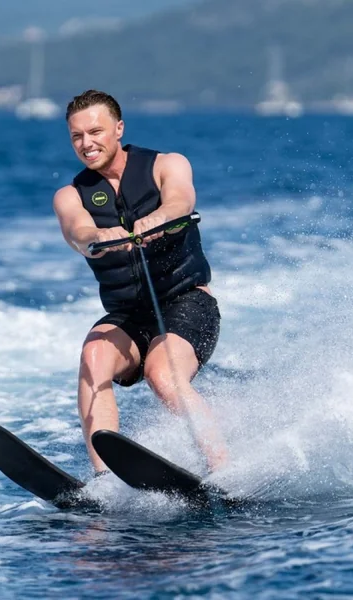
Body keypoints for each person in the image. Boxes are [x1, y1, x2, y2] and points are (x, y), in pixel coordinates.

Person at [53, 89, 229, 475]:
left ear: (118, 129)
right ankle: (103, 478)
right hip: (129, 316)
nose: (86, 144)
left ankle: (224, 470)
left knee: (162, 374)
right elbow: (77, 230)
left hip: (187, 303)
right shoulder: (70, 196)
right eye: (77, 136)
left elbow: (180, 200)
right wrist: (96, 237)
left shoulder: (167, 164)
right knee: (93, 356)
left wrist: (159, 218)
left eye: (95, 132)